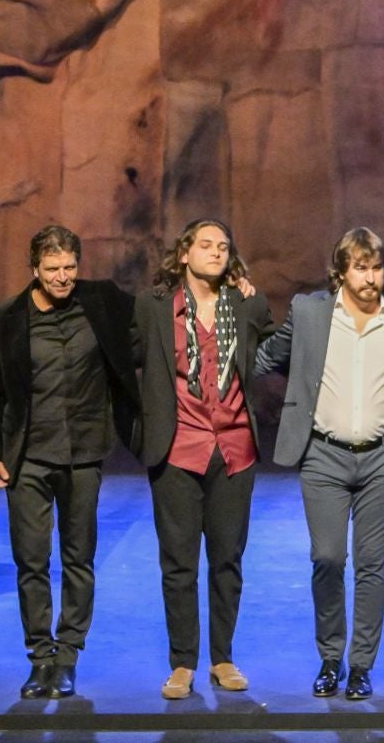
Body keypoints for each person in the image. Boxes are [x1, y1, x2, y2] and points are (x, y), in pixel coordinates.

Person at [253, 228, 384, 700]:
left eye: (377, 268)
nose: (370, 278)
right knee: (327, 558)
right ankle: (331, 657)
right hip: (323, 454)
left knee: (372, 564)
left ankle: (361, 665)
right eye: (360, 268)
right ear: (341, 271)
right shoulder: (310, 313)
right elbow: (266, 357)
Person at [0, 224, 140, 699]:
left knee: (78, 557)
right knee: (30, 559)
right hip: (28, 457)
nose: (63, 277)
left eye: (70, 267)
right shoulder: (5, 318)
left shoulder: (101, 301)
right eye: (53, 269)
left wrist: (233, 288)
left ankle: (68, 657)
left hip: (85, 452)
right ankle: (39, 658)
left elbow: (155, 310)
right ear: (35, 270)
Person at [135, 218, 275, 700]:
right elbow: (133, 361)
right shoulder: (154, 306)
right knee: (178, 563)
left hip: (234, 448)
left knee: (227, 560)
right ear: (184, 253)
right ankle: (182, 662)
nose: (216, 252)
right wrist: (141, 428)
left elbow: (273, 351)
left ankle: (222, 657)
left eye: (223, 247)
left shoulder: (248, 302)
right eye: (206, 245)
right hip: (177, 449)